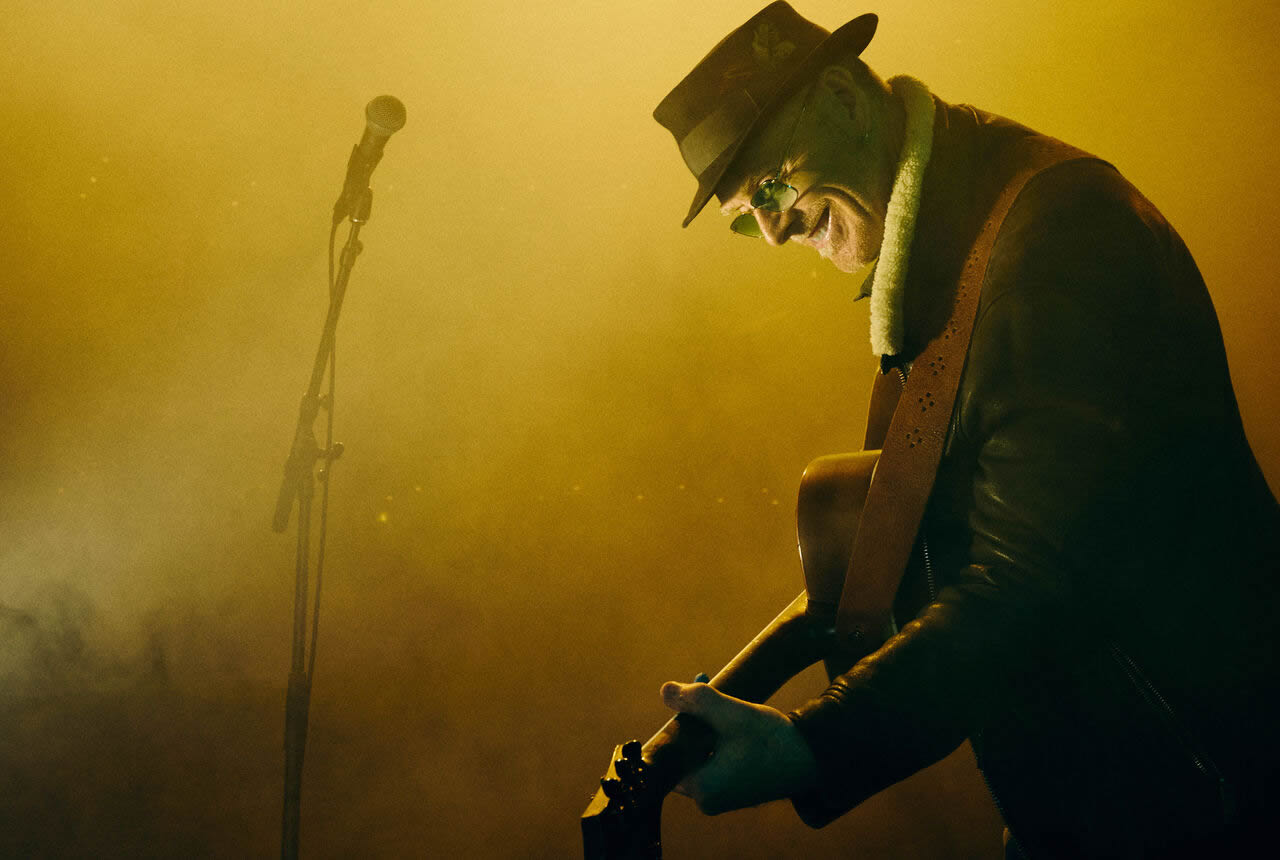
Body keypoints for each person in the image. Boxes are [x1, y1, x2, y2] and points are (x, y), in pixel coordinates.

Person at [650, 3, 1280, 857]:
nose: (773, 231)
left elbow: (1031, 582)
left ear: (843, 99)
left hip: (1208, 794)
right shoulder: (964, 236)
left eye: (769, 188)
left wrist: (810, 747)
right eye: (744, 216)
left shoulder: (1055, 245)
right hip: (1124, 795)